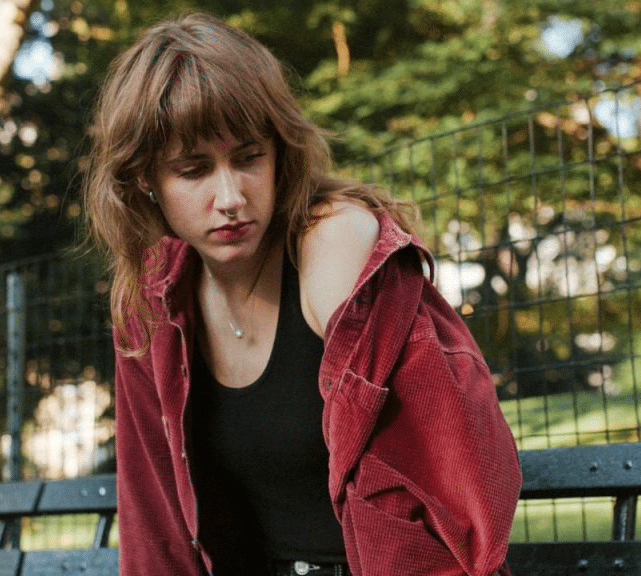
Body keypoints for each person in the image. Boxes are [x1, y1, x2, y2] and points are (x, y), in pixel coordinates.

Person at [83, 11, 521, 576]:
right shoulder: (151, 299)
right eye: (192, 170)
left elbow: (456, 476)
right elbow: (155, 519)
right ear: (146, 179)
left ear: (279, 152)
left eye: (248, 158)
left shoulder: (333, 245)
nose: (231, 196)